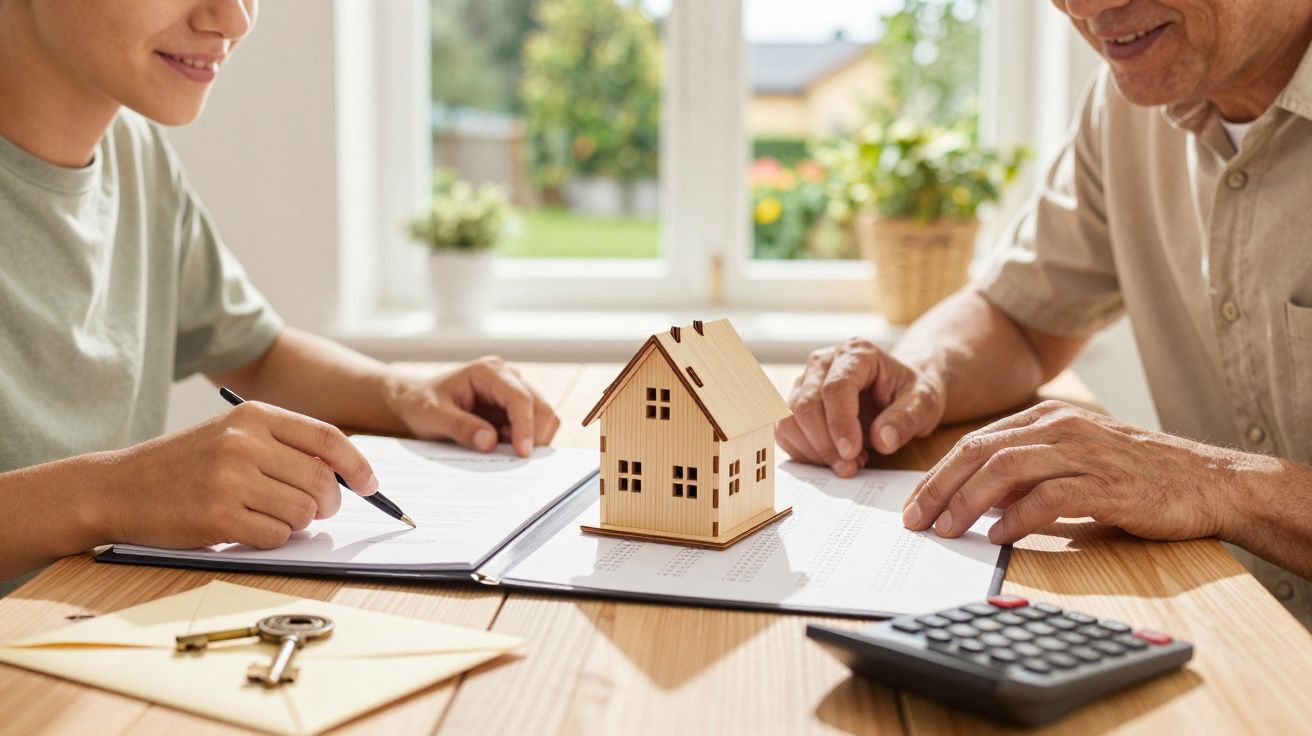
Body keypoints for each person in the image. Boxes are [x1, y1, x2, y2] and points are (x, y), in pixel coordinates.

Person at [780, 0, 1312, 628]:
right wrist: (923, 375)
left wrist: (1218, 485)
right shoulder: (1129, 103)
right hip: (1237, 631)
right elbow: (1021, 318)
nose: (1085, 8)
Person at [0, 0, 560, 587]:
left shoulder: (134, 153)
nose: (236, 19)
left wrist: (403, 394)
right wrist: (115, 493)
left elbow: (255, 352)